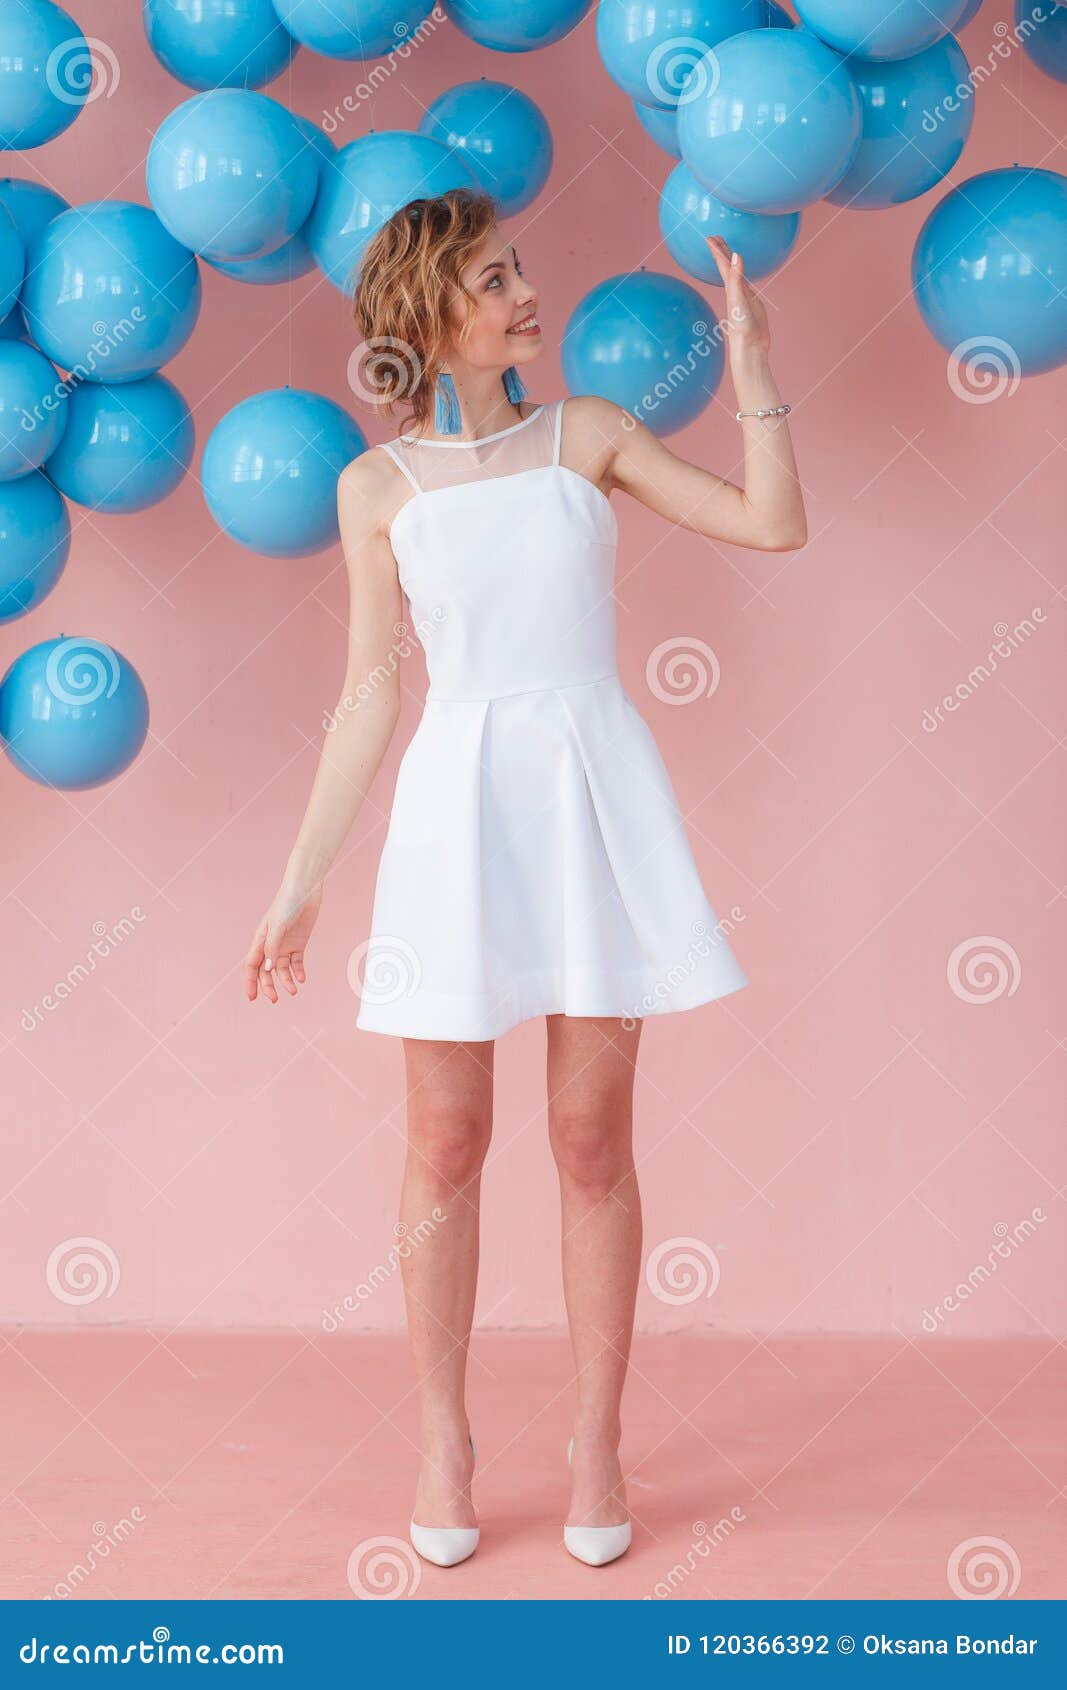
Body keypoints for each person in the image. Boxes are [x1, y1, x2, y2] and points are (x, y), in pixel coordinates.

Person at [245, 187, 805, 1569]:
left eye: (519, 271)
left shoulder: (591, 434)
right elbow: (371, 691)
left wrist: (753, 374)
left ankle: (597, 1436)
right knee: (443, 1142)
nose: (526, 294)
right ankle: (445, 1434)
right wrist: (302, 880)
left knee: (590, 1138)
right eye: (497, 280)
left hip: (589, 799)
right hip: (455, 819)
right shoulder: (375, 487)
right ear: (436, 313)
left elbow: (771, 526)